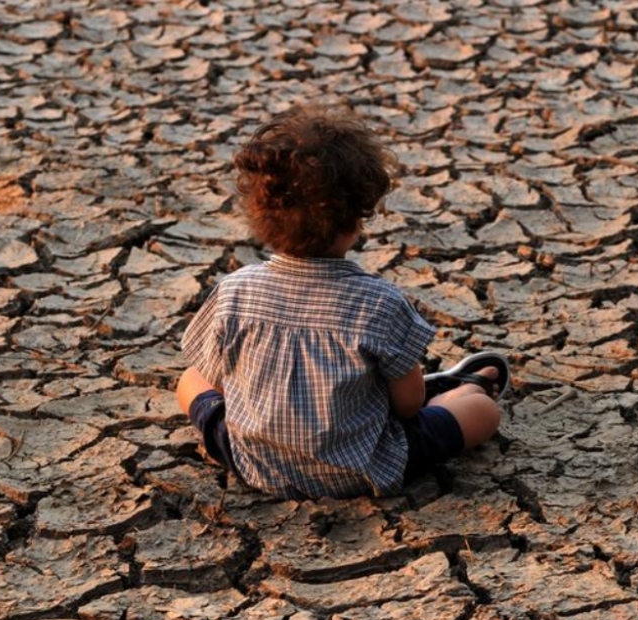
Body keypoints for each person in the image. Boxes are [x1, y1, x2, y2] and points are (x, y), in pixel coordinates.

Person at [176, 103, 506, 500]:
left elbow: (215, 381)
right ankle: (456, 389)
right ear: (356, 220)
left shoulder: (235, 291)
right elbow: (408, 406)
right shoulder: (379, 303)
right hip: (362, 468)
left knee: (189, 379)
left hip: (254, 463)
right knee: (481, 410)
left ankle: (445, 389)